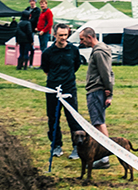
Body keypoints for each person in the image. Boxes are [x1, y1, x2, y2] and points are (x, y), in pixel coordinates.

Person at [41, 23, 82, 158]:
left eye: (65, 35)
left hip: (69, 88)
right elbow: (46, 69)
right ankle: (56, 145)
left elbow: (76, 65)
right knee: (53, 118)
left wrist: (67, 79)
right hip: (53, 89)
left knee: (73, 118)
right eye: (60, 35)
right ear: (55, 35)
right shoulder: (48, 52)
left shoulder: (73, 50)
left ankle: (77, 147)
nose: (63, 38)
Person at [78, 26, 114, 169]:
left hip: (96, 91)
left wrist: (109, 91)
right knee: (97, 122)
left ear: (90, 37)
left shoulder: (99, 52)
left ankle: (104, 157)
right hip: (98, 90)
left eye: (82, 39)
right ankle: (101, 154)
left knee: (98, 124)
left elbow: (106, 73)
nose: (81, 42)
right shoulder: (100, 50)